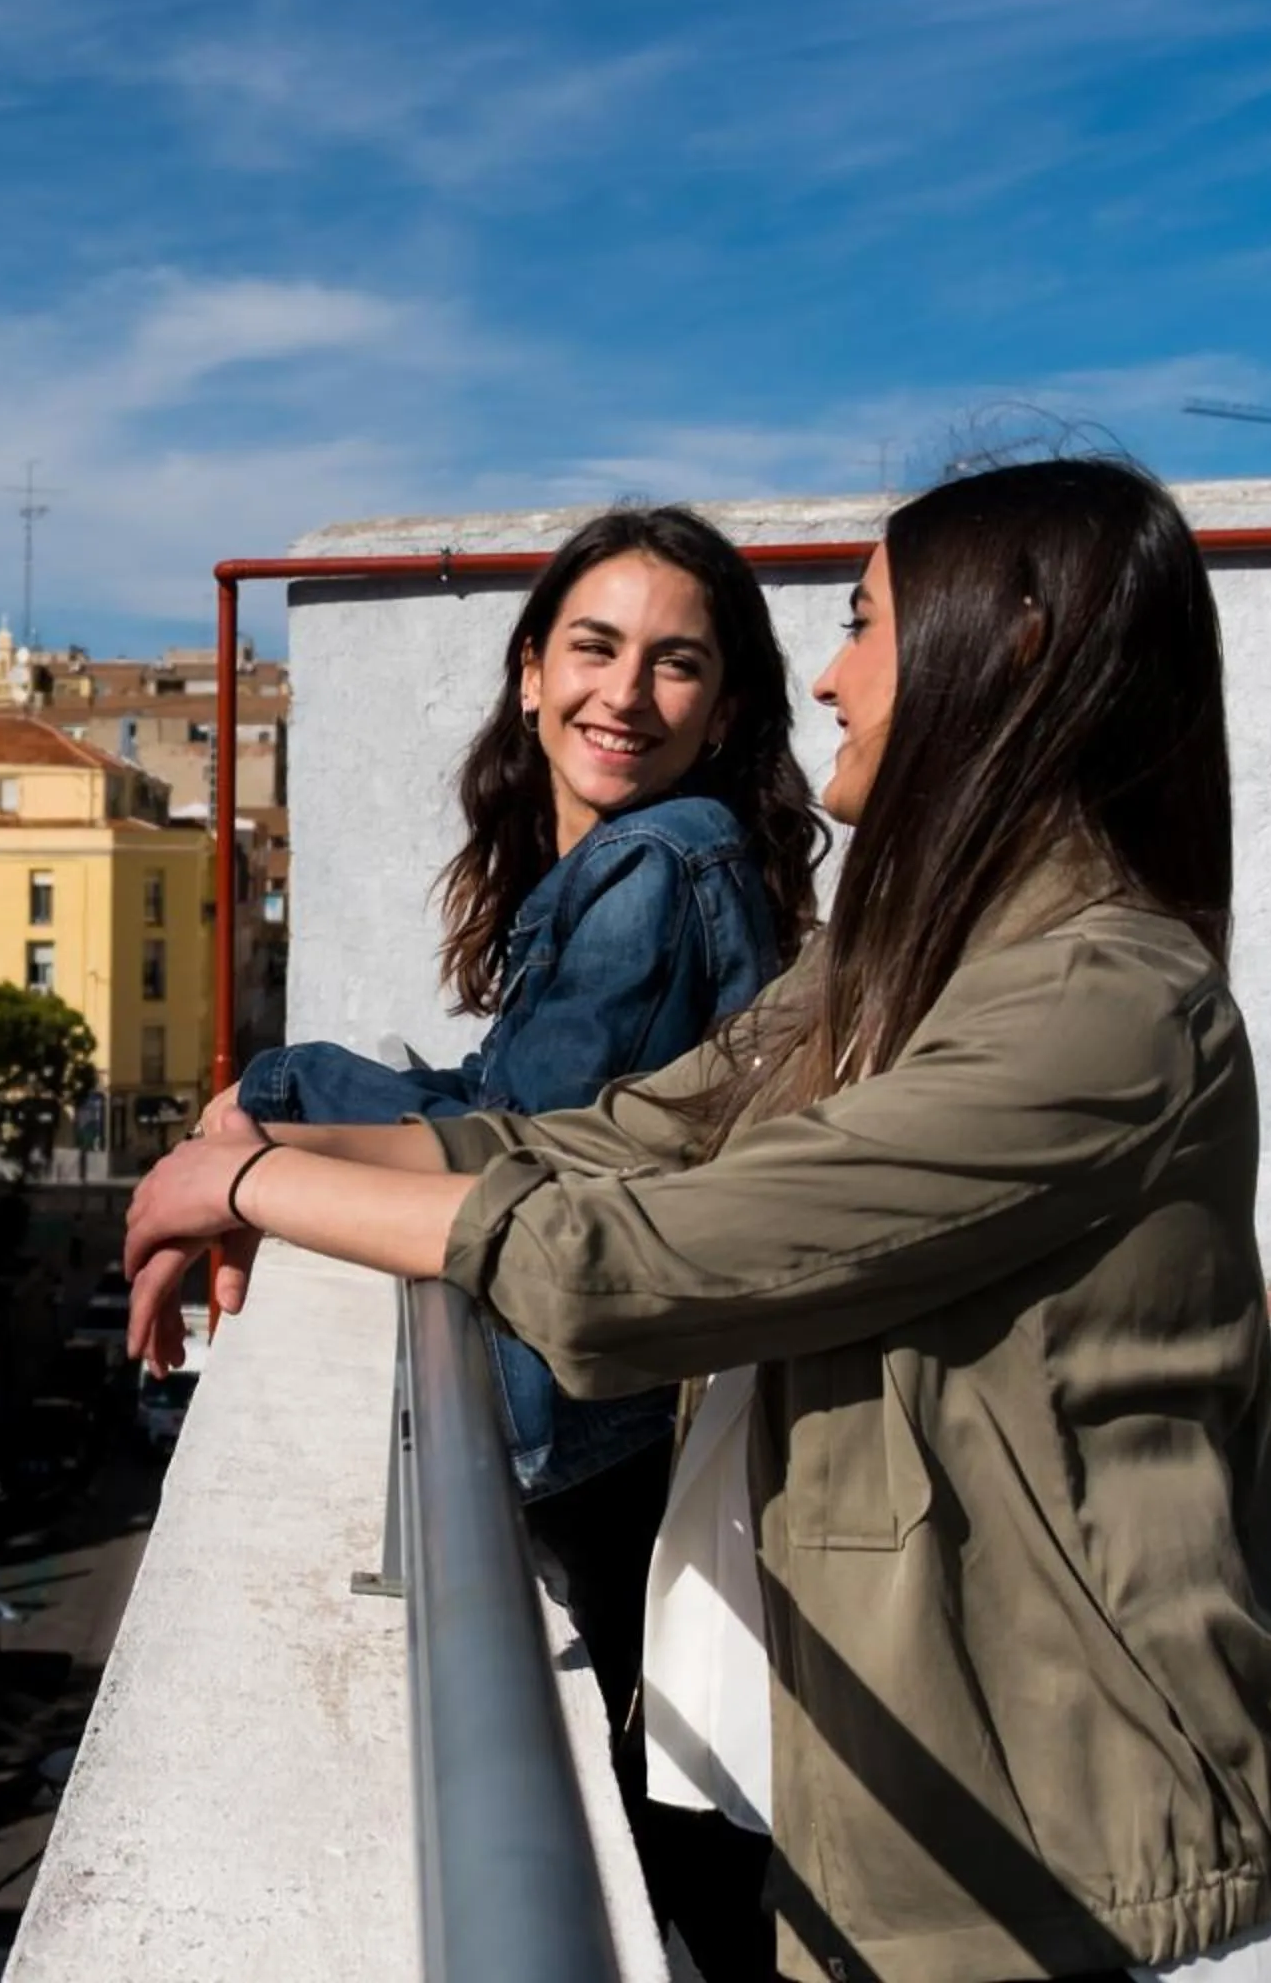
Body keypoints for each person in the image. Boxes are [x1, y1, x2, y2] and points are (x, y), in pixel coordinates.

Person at [128, 459, 1271, 1983]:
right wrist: (268, 1141)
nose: (833, 677)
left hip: (1106, 1887)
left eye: (865, 625)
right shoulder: (895, 966)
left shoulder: (1102, 1006)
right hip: (907, 1848)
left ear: (1007, 655)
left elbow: (653, 1258)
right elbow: (617, 1132)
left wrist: (250, 1186)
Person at [204, 503, 821, 1744]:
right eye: (595, 648)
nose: (628, 693)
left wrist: (273, 1098)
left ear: (728, 706)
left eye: (677, 661)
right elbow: (514, 1103)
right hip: (647, 1434)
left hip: (613, 1450)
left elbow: (511, 1147)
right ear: (532, 670)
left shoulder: (657, 862)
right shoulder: (643, 862)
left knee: (674, 1874)